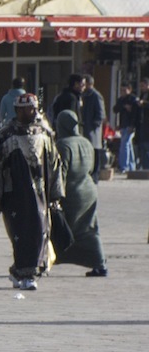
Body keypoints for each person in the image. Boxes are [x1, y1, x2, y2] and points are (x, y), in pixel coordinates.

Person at [0, 93, 63, 292]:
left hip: (40, 192)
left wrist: (56, 194)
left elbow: (55, 164)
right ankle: (20, 270)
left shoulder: (44, 133)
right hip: (14, 194)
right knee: (19, 234)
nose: (33, 112)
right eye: (28, 108)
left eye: (35, 108)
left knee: (38, 230)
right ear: (18, 110)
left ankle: (29, 273)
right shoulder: (5, 135)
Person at [52, 109, 108, 277]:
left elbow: (60, 174)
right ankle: (99, 263)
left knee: (61, 229)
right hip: (89, 191)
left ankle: (50, 259)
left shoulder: (63, 145)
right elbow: (91, 168)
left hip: (72, 193)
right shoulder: (86, 142)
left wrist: (55, 196)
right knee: (89, 229)